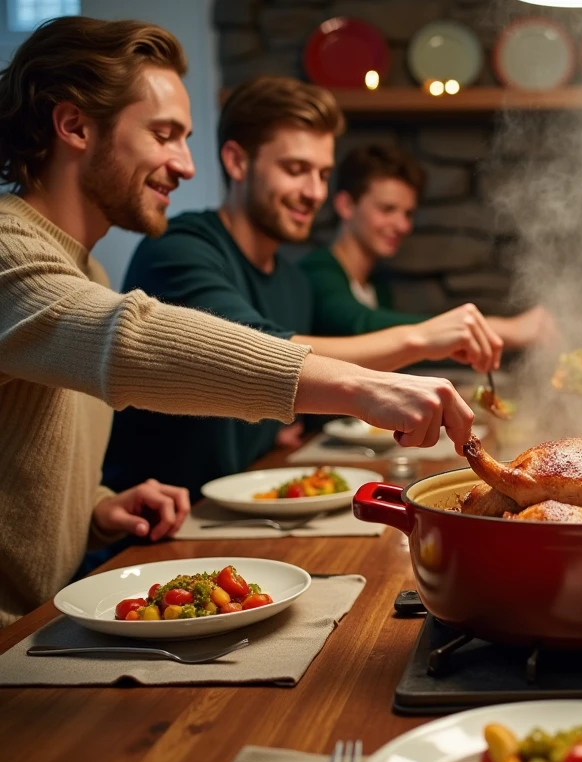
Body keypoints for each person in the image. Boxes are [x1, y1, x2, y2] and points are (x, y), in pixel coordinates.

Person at [0, 18, 473, 627]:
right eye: (164, 134)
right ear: (74, 126)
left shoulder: (83, 268)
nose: (187, 165)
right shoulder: (10, 249)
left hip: (44, 616)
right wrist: (366, 386)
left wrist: (97, 509)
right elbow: (129, 339)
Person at [103, 76, 501, 500]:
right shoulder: (178, 248)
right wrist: (419, 338)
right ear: (237, 162)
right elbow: (261, 353)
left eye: (323, 174)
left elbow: (294, 382)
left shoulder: (292, 280)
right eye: (295, 170)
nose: (314, 192)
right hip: (151, 531)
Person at [301, 142, 556, 348]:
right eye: (387, 209)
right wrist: (499, 328)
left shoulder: (376, 287)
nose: (402, 225)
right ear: (346, 205)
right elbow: (360, 324)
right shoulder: (317, 271)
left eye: (408, 214)